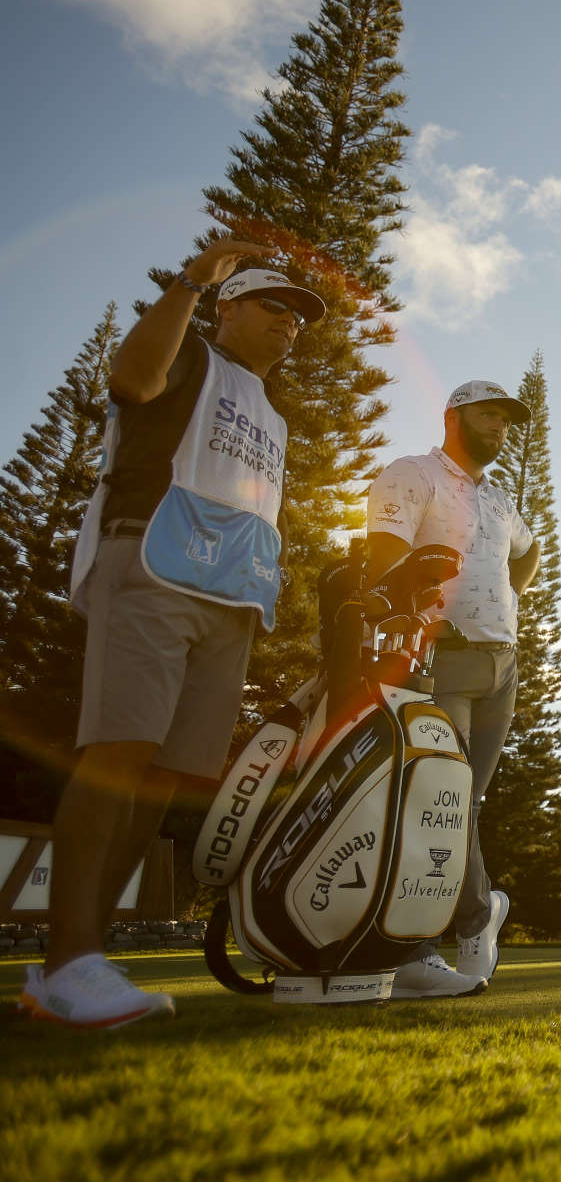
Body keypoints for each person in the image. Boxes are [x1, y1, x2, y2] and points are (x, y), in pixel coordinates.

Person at [20, 242, 324, 1029]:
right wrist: (193, 282)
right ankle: (64, 966)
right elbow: (130, 381)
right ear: (229, 308)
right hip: (152, 566)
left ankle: (94, 961)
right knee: (117, 755)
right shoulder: (190, 355)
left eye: (298, 316)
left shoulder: (275, 413)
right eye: (272, 306)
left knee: (161, 781)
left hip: (228, 599)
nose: (289, 324)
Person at [364, 380, 537, 999]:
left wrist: (508, 596)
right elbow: (382, 559)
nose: (499, 427)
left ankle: (470, 917)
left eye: (506, 420)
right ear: (453, 416)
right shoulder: (413, 474)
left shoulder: (498, 499)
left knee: (463, 805)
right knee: (434, 802)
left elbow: (528, 550)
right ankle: (427, 943)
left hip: (502, 662)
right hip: (440, 658)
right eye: (488, 414)